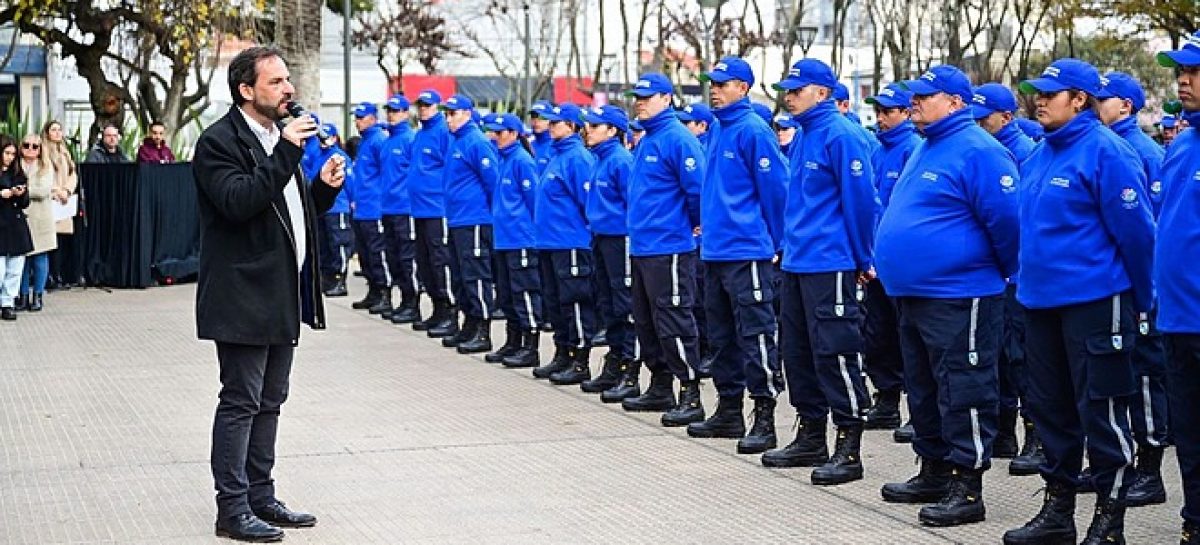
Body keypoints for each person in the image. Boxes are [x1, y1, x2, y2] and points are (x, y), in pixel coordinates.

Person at [193, 45, 345, 542]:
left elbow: (284, 211)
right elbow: (239, 203)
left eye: (287, 80)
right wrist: (288, 153)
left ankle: (261, 494)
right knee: (241, 399)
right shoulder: (219, 142)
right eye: (277, 81)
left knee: (271, 400)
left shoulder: (279, 140)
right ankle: (231, 508)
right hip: (241, 295)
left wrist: (321, 187)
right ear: (246, 90)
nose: (288, 89)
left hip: (282, 292)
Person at [1003, 58, 1156, 545]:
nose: (1039, 100)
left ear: (1080, 99)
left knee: (1102, 412)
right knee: (1052, 410)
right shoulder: (1040, 153)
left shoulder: (1107, 152)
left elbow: (1138, 236)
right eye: (1036, 93)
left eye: (1051, 93)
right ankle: (1058, 512)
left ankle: (1110, 520)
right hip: (1040, 304)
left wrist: (1143, 301)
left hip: (1096, 302)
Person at [875, 64, 1019, 527]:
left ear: (956, 102)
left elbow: (1008, 224)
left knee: (965, 388)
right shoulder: (925, 146)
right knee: (924, 387)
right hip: (916, 295)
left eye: (925, 95)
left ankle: (966, 483)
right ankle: (933, 467)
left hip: (962, 293)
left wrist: (991, 272)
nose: (914, 101)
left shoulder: (980, 151)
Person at [763, 58, 876, 487]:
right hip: (797, 260)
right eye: (787, 90)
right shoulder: (805, 135)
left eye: (796, 90)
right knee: (797, 352)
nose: (788, 96)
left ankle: (849, 444)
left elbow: (861, 203)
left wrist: (863, 258)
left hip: (830, 262)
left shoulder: (841, 135)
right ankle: (811, 433)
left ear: (823, 93)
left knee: (836, 351)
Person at [683, 57, 787, 455]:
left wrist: (776, 243)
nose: (715, 88)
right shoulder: (716, 131)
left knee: (756, 334)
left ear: (743, 88)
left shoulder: (753, 131)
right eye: (713, 82)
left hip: (748, 252)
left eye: (724, 83)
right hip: (716, 251)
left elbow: (776, 191)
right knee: (722, 336)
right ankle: (729, 408)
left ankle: (764, 413)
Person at [1096, 70, 1171, 508]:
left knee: (1144, 377)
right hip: (1114, 290)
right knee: (1119, 378)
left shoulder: (1143, 151)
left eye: (1104, 99)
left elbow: (1150, 230)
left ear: (1125, 106)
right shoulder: (1107, 146)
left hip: (1143, 286)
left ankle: (1151, 470)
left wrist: (1149, 290)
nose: (1096, 105)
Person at [619, 73, 709, 427]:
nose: (639, 102)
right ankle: (660, 384)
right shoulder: (647, 140)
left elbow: (697, 190)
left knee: (673, 317)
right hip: (643, 245)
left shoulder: (677, 139)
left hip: (669, 245)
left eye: (647, 96)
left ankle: (690, 390)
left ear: (667, 99)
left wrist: (690, 224)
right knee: (645, 320)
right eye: (637, 97)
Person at [968, 81, 1040, 468]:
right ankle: (1003, 432)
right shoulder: (984, 149)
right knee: (995, 356)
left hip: (1017, 271)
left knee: (1021, 357)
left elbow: (1016, 217)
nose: (978, 125)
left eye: (985, 118)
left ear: (1007, 117)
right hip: (996, 272)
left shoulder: (1022, 153)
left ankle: (1035, 436)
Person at [1150, 30, 1200, 544]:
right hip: (1178, 318)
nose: (1183, 80)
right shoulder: (1183, 142)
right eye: (1181, 71)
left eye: (1194, 71)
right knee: (1188, 432)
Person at [859, 82, 920, 433]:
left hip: (901, 262)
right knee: (877, 333)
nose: (881, 118)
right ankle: (886, 399)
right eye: (878, 111)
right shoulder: (877, 150)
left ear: (906, 112)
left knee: (905, 335)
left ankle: (916, 406)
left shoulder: (913, 148)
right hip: (875, 259)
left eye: (888, 111)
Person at [527, 102, 598, 382]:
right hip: (549, 242)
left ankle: (580, 359)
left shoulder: (577, 158)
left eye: (557, 123)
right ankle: (562, 352)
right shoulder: (556, 155)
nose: (551, 126)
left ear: (572, 126)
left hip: (570, 242)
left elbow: (587, 202)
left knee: (575, 301)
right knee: (555, 302)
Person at [580, 105, 638, 397]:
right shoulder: (599, 159)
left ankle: (630, 369)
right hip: (601, 238)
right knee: (607, 303)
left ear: (612, 130)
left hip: (620, 239)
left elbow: (633, 204)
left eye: (595, 125)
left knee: (624, 305)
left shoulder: (620, 161)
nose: (588, 129)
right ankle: (614, 363)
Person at [436, 94, 499, 354]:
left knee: (476, 275)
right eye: (446, 114)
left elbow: (492, 181)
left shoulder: (475, 141)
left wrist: (490, 216)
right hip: (457, 218)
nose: (448, 119)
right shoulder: (456, 141)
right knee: (461, 276)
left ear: (467, 113)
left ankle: (482, 328)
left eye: (453, 113)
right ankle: (469, 323)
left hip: (474, 219)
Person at [482, 113, 544, 369]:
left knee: (524, 292)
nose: (495, 136)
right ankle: (513, 339)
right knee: (506, 294)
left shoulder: (521, 161)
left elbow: (533, 202)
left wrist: (531, 234)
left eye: (501, 132)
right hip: (504, 239)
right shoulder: (503, 159)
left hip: (521, 238)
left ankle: (530, 345)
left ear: (514, 133)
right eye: (494, 132)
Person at [407, 90, 458, 337]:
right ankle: (437, 309)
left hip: (437, 208)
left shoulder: (442, 132)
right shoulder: (420, 134)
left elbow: (451, 168)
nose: (423, 109)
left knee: (440, 261)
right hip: (419, 209)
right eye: (421, 105)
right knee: (425, 262)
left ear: (437, 107)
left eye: (428, 105)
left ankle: (450, 310)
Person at [345, 102, 392, 315]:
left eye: (361, 117)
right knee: (365, 253)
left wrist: (381, 201)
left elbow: (386, 174)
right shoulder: (365, 142)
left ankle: (384, 292)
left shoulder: (379, 141)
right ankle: (373, 290)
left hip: (374, 207)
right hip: (361, 207)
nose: (357, 121)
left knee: (376, 252)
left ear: (373, 118)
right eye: (356, 117)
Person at [377, 94, 421, 324]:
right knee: (393, 257)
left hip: (405, 207)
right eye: (389, 110)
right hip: (388, 207)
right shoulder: (387, 142)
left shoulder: (409, 139)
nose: (391, 115)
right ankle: (403, 300)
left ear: (405, 113)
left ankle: (412, 303)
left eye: (396, 111)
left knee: (407, 257)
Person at [302, 124, 354, 298]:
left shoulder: (338, 156)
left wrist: (353, 201)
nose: (324, 141)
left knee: (338, 244)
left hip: (338, 206)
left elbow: (350, 182)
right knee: (324, 245)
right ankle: (328, 278)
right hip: (324, 208)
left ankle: (339, 279)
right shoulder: (318, 156)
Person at [16, 133, 55, 312]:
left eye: (35, 146)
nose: (30, 149)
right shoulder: (16, 165)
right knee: (22, 258)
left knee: (40, 258)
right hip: (21, 216)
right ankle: (23, 295)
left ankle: (38, 295)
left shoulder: (46, 166)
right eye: (26, 145)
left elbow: (43, 191)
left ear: (40, 150)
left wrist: (23, 190)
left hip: (41, 217)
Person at [42, 120, 80, 289]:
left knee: (64, 239)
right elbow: (43, 175)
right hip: (52, 199)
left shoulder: (65, 151)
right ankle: (51, 276)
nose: (57, 133)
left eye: (59, 129)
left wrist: (67, 190)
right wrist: (57, 190)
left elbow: (73, 174)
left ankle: (61, 275)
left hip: (65, 200)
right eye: (53, 130)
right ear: (47, 132)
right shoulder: (43, 151)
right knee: (52, 239)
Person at [0, 136, 32, 321]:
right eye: (6, 153)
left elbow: (25, 203)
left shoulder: (18, 173)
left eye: (13, 154)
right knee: (0, 268)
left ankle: (7, 302)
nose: (10, 157)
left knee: (15, 268)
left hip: (15, 224)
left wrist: (20, 194)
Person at [528, 100, 556, 174]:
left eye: (542, 117)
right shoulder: (526, 143)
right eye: (533, 116)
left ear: (550, 120)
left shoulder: (556, 146)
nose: (536, 120)